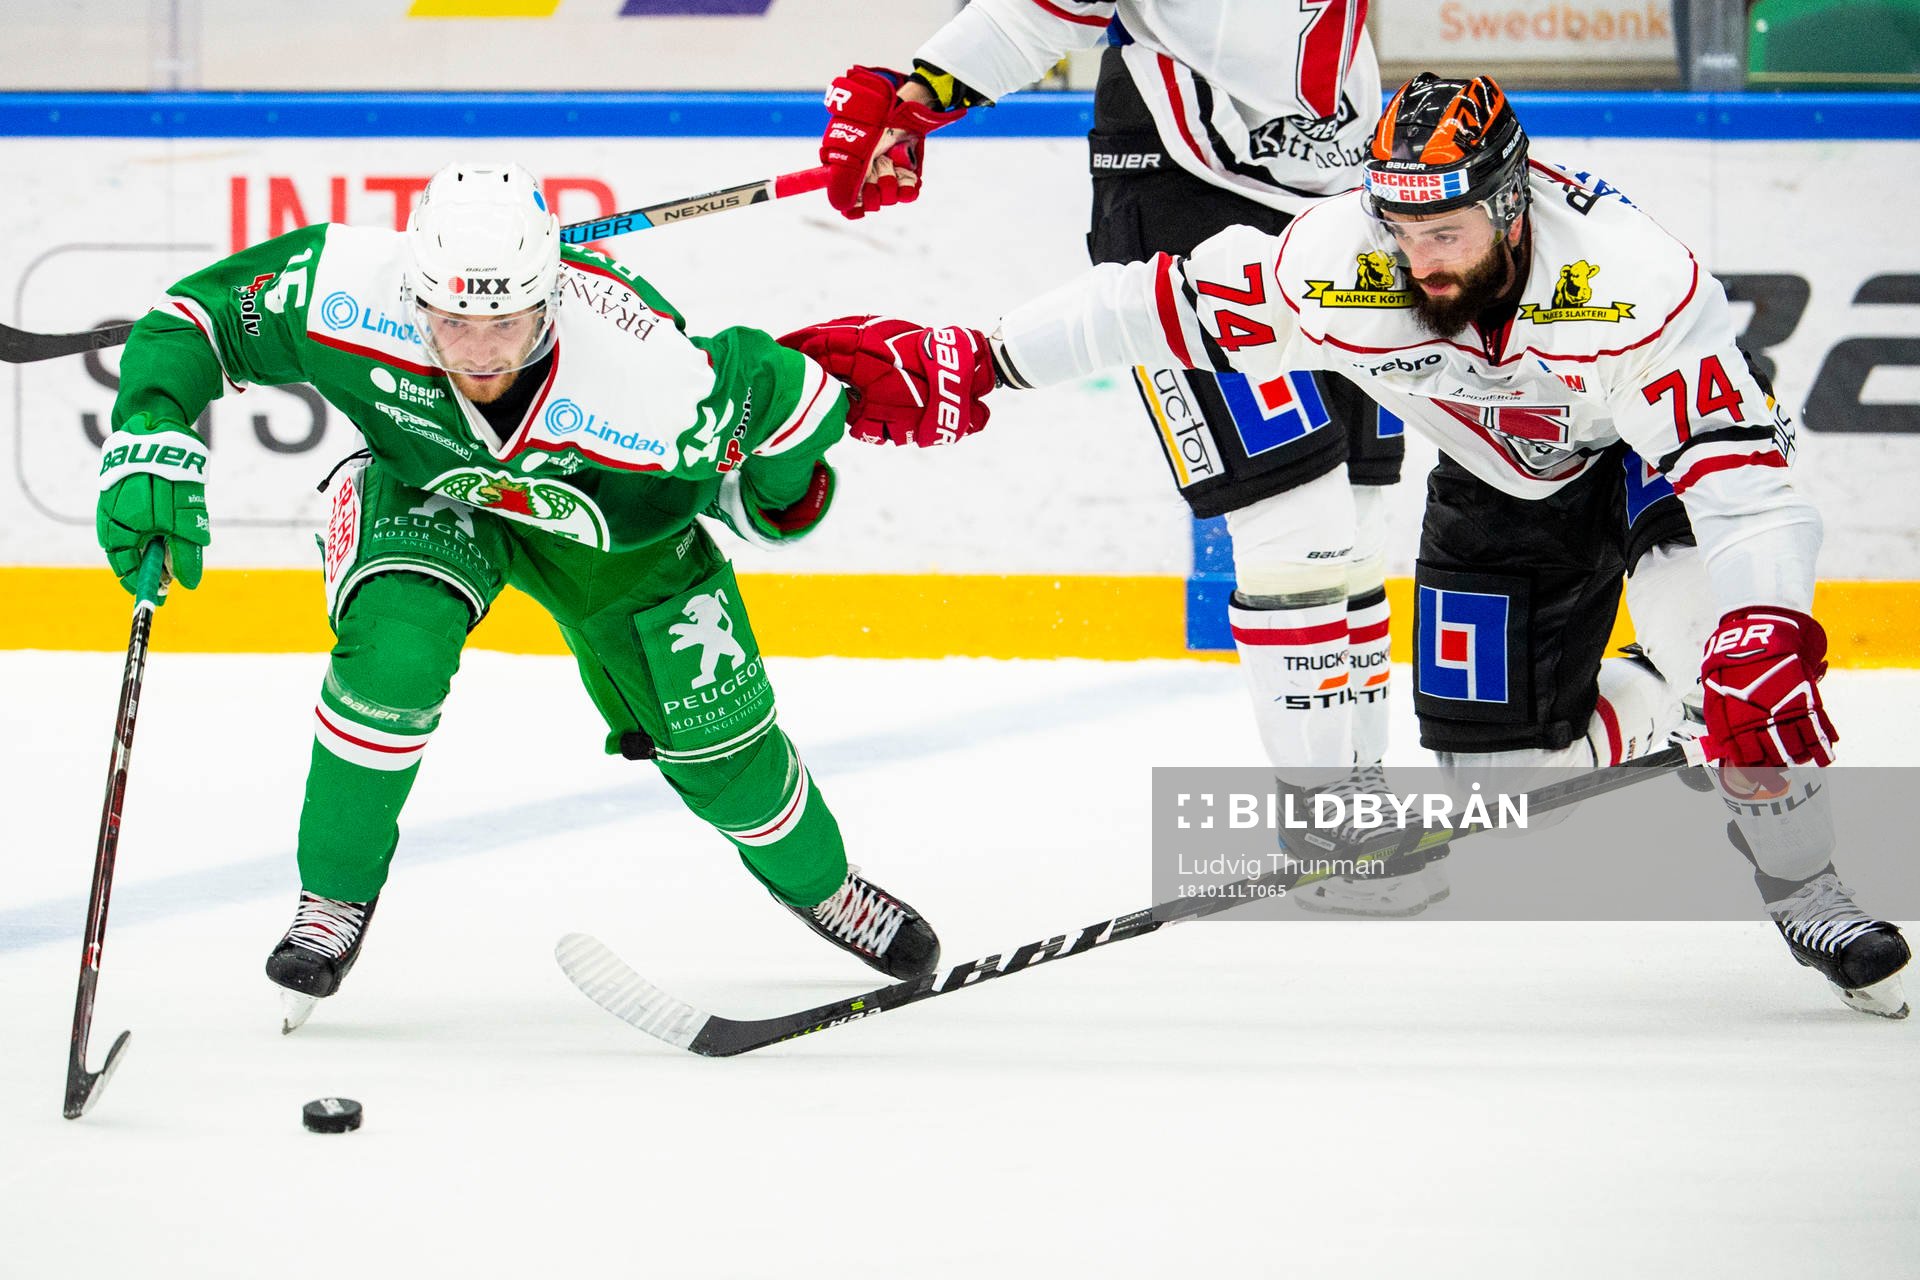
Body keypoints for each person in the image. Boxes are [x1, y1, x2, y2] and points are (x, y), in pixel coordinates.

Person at [785, 74, 1911, 1018]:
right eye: (1405, 226)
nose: (1423, 257)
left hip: (1653, 461)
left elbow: (1751, 495)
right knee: (1502, 783)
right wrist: (984, 358)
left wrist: (1764, 628)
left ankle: (1809, 884)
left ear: (1514, 206)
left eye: (1450, 230)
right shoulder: (1337, 257)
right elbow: (1154, 303)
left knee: (1733, 654)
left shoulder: (1634, 282)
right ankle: (1676, 701)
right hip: (1502, 483)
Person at [93, 162, 948, 1031]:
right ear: (413, 293)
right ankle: (332, 902)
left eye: (507, 320)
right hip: (432, 491)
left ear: (551, 300)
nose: (481, 352)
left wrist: (781, 489)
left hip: (617, 535)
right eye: (452, 321)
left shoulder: (648, 372)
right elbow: (195, 318)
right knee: (395, 660)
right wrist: (152, 427)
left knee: (721, 744)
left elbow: (788, 398)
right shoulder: (338, 289)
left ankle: (824, 887)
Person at [815, 2, 1418, 909]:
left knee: (1362, 518)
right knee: (1298, 521)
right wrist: (919, 92)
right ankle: (1328, 810)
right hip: (1188, 187)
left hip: (1345, 198)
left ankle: (1362, 789)